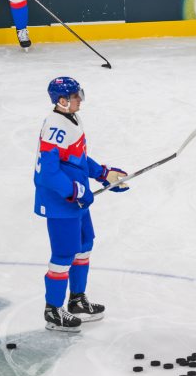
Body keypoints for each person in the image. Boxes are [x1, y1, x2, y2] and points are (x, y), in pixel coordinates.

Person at [34, 77, 128, 332]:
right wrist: (76, 191)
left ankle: (76, 300)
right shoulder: (55, 129)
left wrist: (103, 173)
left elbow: (78, 160)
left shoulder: (71, 120)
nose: (80, 99)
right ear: (62, 101)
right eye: (76, 96)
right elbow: (49, 175)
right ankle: (53, 310)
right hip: (60, 202)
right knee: (64, 254)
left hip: (76, 199)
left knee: (84, 245)